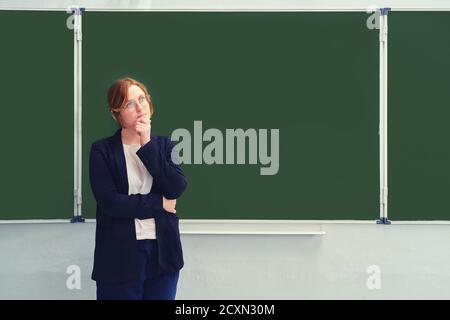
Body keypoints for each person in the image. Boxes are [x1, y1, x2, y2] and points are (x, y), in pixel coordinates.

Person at [89, 77, 187, 300]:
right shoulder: (101, 151)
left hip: (163, 254)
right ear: (117, 113)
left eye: (142, 99)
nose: (139, 106)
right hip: (118, 257)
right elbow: (111, 203)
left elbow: (176, 187)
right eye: (129, 103)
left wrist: (147, 145)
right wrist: (159, 203)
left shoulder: (166, 145)